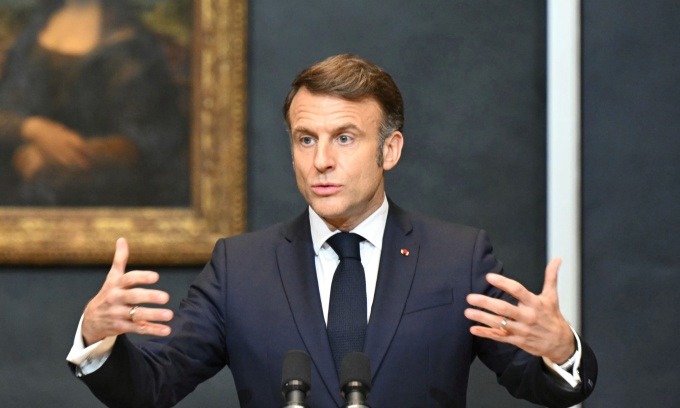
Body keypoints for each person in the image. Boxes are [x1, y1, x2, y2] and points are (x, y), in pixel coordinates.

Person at [67, 54, 597, 407]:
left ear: (389, 149)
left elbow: (540, 384)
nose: (321, 160)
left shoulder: (457, 259)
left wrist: (560, 350)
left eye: (344, 138)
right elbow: (151, 386)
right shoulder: (240, 268)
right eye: (306, 139)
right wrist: (97, 339)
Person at [0, 0, 187, 206]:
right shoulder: (36, 28)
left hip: (104, 192)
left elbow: (145, 141)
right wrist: (32, 129)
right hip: (20, 183)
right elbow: (8, 105)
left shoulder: (131, 44)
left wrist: (55, 156)